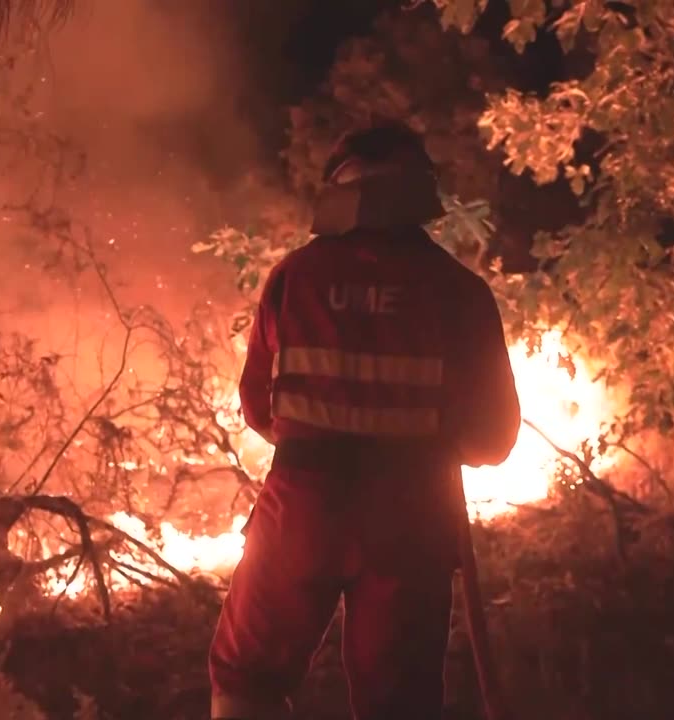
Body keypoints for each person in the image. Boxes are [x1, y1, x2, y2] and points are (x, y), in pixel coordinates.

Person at [208, 121, 522, 720]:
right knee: (399, 704)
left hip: (301, 510)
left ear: (337, 190)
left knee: (247, 678)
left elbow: (257, 408)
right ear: (420, 191)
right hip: (411, 522)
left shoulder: (294, 278)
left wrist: (323, 438)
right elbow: (492, 439)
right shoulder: (459, 291)